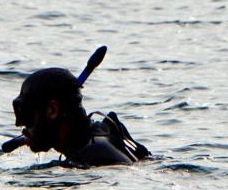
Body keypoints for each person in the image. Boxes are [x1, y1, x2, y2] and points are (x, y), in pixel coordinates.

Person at [12, 67, 150, 167]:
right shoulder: (103, 135)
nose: (21, 126)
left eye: (27, 116)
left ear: (52, 110)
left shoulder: (91, 157)